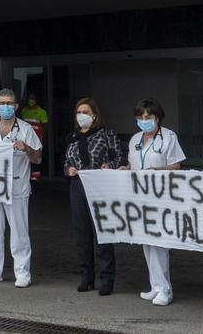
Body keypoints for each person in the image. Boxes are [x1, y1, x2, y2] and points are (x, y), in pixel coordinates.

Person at [0, 88, 42, 288]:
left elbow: (38, 158)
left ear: (16, 106)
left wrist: (26, 148)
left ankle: (22, 273)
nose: (6, 107)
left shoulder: (26, 129)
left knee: (19, 231)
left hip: (17, 186)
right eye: (2, 104)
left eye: (9, 103)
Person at [127, 98, 185, 306]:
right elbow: (132, 164)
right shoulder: (135, 139)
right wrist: (126, 169)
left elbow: (176, 166)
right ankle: (155, 285)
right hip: (140, 197)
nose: (144, 120)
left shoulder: (169, 137)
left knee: (160, 243)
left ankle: (165, 290)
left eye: (148, 117)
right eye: (140, 117)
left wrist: (157, 172)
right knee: (147, 242)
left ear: (157, 117)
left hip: (162, 197)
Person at [65, 98, 122, 295]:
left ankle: (107, 279)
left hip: (100, 186)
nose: (82, 115)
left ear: (94, 115)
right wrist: (69, 170)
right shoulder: (72, 137)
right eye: (79, 112)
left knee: (102, 233)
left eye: (86, 112)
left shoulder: (106, 134)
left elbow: (119, 158)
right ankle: (86, 277)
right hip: (78, 186)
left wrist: (109, 166)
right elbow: (66, 163)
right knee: (82, 234)